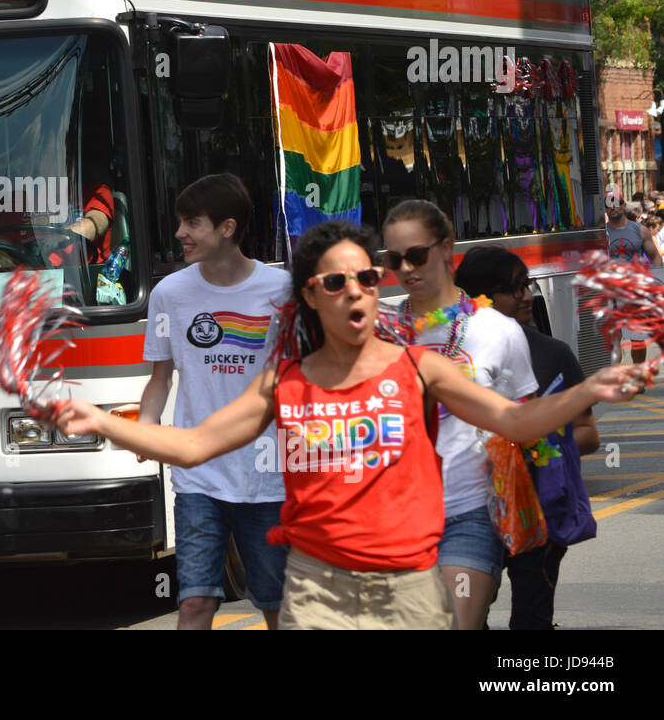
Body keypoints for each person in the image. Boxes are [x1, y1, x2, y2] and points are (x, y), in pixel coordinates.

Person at [55, 220, 647, 629]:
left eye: (366, 278)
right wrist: (101, 421)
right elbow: (190, 447)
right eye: (336, 282)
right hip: (318, 590)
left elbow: (516, 423)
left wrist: (591, 389)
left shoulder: (420, 367)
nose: (356, 291)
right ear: (312, 296)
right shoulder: (285, 383)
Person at [138, 173, 289, 629]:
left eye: (192, 223)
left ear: (226, 228)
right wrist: (146, 427)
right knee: (195, 602)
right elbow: (160, 378)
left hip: (268, 476)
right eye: (181, 223)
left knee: (275, 602)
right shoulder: (169, 294)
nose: (180, 233)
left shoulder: (280, 290)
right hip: (197, 474)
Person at [381, 199, 536, 630]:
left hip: (469, 513)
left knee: (454, 619)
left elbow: (528, 420)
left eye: (418, 255)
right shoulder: (379, 335)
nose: (407, 268)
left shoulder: (499, 331)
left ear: (446, 248)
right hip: (393, 519)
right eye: (395, 259)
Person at [455, 247, 598, 630]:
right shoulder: (449, 355)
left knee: (532, 617)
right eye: (512, 289)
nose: (526, 297)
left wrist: (535, 440)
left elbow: (587, 434)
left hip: (538, 507)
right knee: (466, 615)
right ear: (478, 298)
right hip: (469, 511)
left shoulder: (554, 354)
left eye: (526, 285)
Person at [605, 188, 651, 363]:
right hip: (612, 291)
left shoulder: (640, 230)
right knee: (614, 339)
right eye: (608, 205)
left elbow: (654, 255)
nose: (613, 207)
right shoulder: (602, 234)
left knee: (638, 338)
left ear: (623, 205)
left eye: (616, 203)